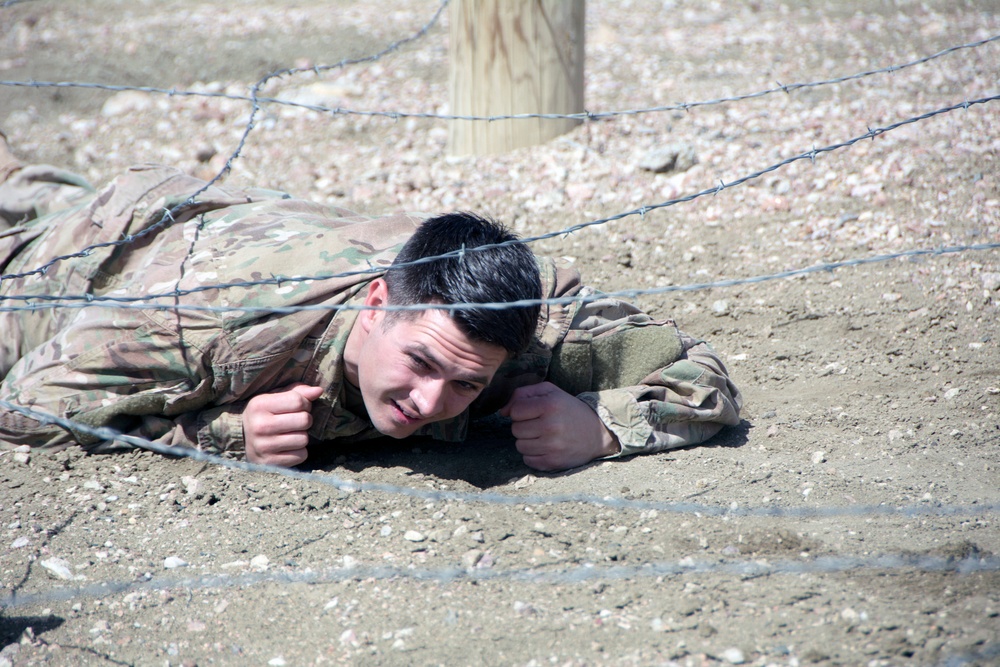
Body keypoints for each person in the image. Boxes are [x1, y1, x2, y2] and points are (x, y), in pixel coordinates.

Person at [0, 134, 742, 471]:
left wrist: (605, 429)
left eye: (466, 384)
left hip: (234, 215)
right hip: (92, 261)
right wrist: (218, 434)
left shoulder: (528, 317)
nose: (429, 400)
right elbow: (25, 404)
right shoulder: (210, 324)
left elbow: (699, 374)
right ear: (378, 302)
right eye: (421, 362)